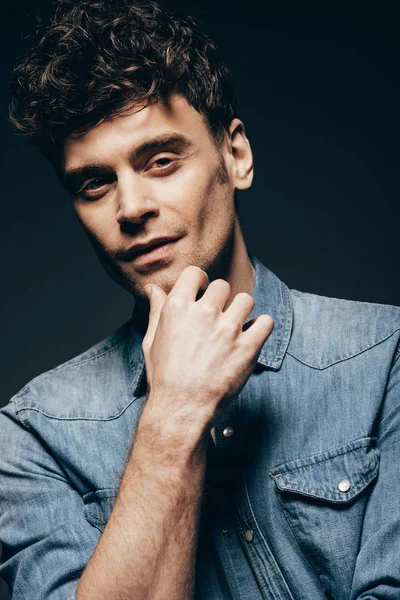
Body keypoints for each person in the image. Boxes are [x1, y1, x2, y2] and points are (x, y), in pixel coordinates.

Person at [1, 0, 399, 598]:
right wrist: (171, 418)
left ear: (234, 156)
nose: (130, 208)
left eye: (161, 160)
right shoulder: (35, 435)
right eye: (94, 183)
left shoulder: (385, 358)